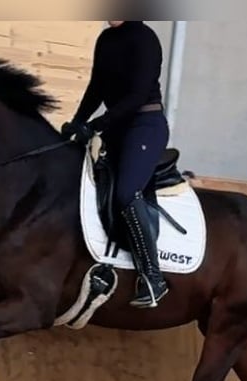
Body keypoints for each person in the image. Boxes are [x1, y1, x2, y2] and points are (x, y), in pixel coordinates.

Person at [62, 20, 170, 309]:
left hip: (145, 125)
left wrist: (97, 124)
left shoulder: (145, 39)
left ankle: (153, 276)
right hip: (116, 127)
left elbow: (136, 96)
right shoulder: (106, 39)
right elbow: (96, 87)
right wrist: (78, 122)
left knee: (125, 193)